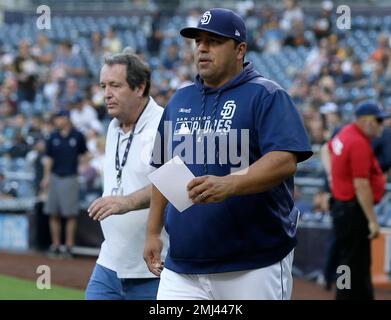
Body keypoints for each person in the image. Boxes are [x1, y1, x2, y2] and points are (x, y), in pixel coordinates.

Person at [144, 8, 313, 300]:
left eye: (215, 41)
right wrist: (152, 232)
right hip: (183, 266)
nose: (203, 48)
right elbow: (165, 168)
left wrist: (230, 184)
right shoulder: (180, 99)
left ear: (240, 49)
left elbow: (285, 160)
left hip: (252, 264)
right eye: (198, 41)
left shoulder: (266, 95)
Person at [85, 53, 168, 300]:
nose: (106, 93)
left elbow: (178, 187)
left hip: (153, 268)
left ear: (140, 87)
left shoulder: (165, 124)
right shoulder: (113, 126)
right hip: (109, 262)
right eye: (103, 86)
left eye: (115, 85)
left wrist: (127, 202)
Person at [324, 101, 389, 300]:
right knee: (350, 262)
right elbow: (361, 186)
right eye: (378, 120)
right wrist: (372, 220)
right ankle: (343, 296)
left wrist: (332, 177)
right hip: (353, 211)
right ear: (365, 122)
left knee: (354, 262)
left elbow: (326, 150)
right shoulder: (358, 142)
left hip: (344, 208)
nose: (382, 124)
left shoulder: (345, 132)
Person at [41, 110, 88, 258]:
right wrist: (46, 177)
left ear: (66, 119)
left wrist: (82, 167)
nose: (57, 121)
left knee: (70, 214)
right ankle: (56, 245)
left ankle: (69, 246)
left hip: (70, 177)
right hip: (55, 176)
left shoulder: (78, 135)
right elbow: (49, 159)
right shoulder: (52, 136)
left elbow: (85, 154)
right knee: (53, 212)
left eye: (59, 118)